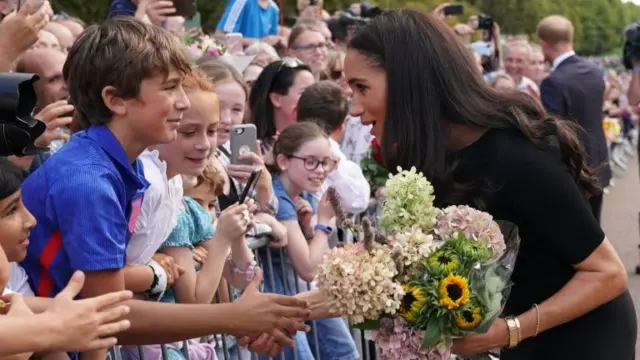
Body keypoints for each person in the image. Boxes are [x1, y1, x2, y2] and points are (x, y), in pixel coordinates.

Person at [344, 9, 636, 360]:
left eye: (361, 87)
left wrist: (509, 331)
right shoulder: (433, 156)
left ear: (409, 81)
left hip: (581, 339)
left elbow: (607, 273)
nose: (354, 108)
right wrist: (296, 309)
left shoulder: (517, 157)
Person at [19, 17, 309, 359]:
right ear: (115, 100)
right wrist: (233, 317)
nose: (183, 102)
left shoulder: (119, 165)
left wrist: (241, 318)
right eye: (170, 87)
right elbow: (109, 315)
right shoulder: (89, 181)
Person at [537, 15, 611, 223]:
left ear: (543, 43)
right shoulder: (595, 72)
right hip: (599, 161)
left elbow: (553, 132)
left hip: (574, 170)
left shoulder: (554, 82)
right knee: (596, 227)